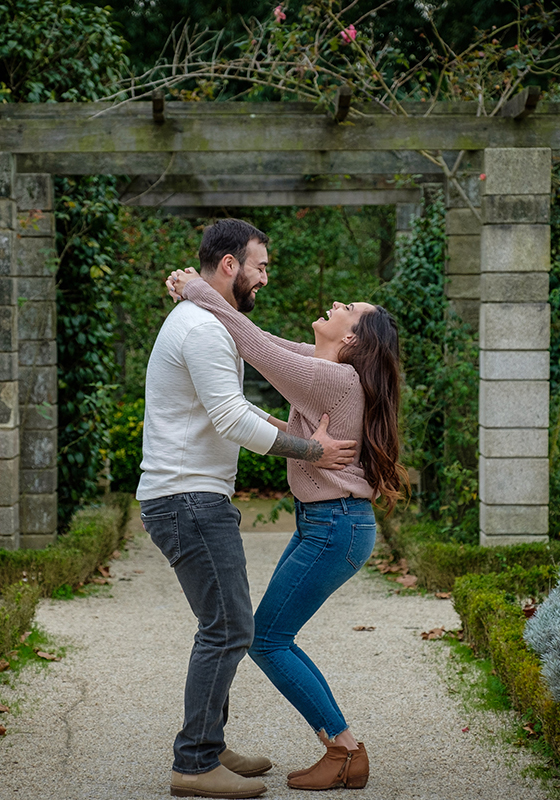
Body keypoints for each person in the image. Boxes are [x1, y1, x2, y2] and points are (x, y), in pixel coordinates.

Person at [138, 218, 358, 800]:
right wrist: (313, 448)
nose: (265, 277)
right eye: (260, 266)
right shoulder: (203, 330)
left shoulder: (207, 323)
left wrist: (282, 427)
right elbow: (231, 420)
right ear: (230, 265)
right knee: (231, 626)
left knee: (225, 624)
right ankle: (194, 763)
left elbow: (235, 406)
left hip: (188, 495)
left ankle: (208, 744)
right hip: (188, 497)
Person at [166, 263, 407, 792]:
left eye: (350, 309)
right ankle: (344, 749)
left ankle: (344, 748)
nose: (339, 303)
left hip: (334, 526)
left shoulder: (338, 378)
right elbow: (270, 340)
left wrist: (195, 288)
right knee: (272, 635)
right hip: (325, 524)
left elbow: (254, 344)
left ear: (351, 338)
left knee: (269, 638)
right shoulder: (327, 370)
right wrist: (269, 429)